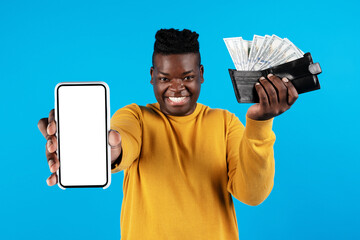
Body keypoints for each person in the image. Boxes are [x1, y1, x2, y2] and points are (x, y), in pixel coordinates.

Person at [38, 28, 298, 239]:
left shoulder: (225, 123)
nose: (176, 88)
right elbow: (120, 145)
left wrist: (260, 124)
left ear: (201, 74)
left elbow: (252, 195)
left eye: (187, 77)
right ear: (152, 76)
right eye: (165, 79)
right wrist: (101, 149)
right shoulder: (135, 117)